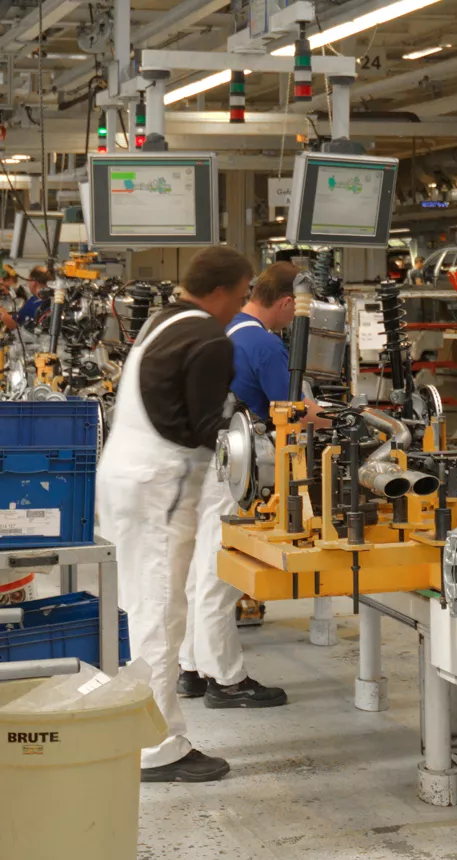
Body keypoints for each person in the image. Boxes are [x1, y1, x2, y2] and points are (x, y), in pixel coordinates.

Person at [96, 245, 255, 783]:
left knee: (150, 610)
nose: (242, 304)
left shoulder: (164, 320)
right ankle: (156, 748)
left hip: (126, 477)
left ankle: (148, 731)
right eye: (241, 294)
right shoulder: (210, 337)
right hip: (159, 485)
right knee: (161, 618)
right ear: (221, 291)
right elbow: (199, 428)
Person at [175, 261, 296, 710]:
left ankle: (190, 668)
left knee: (197, 570)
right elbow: (291, 410)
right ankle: (226, 681)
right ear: (285, 302)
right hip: (232, 468)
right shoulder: (262, 343)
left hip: (201, 461)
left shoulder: (222, 332)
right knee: (218, 574)